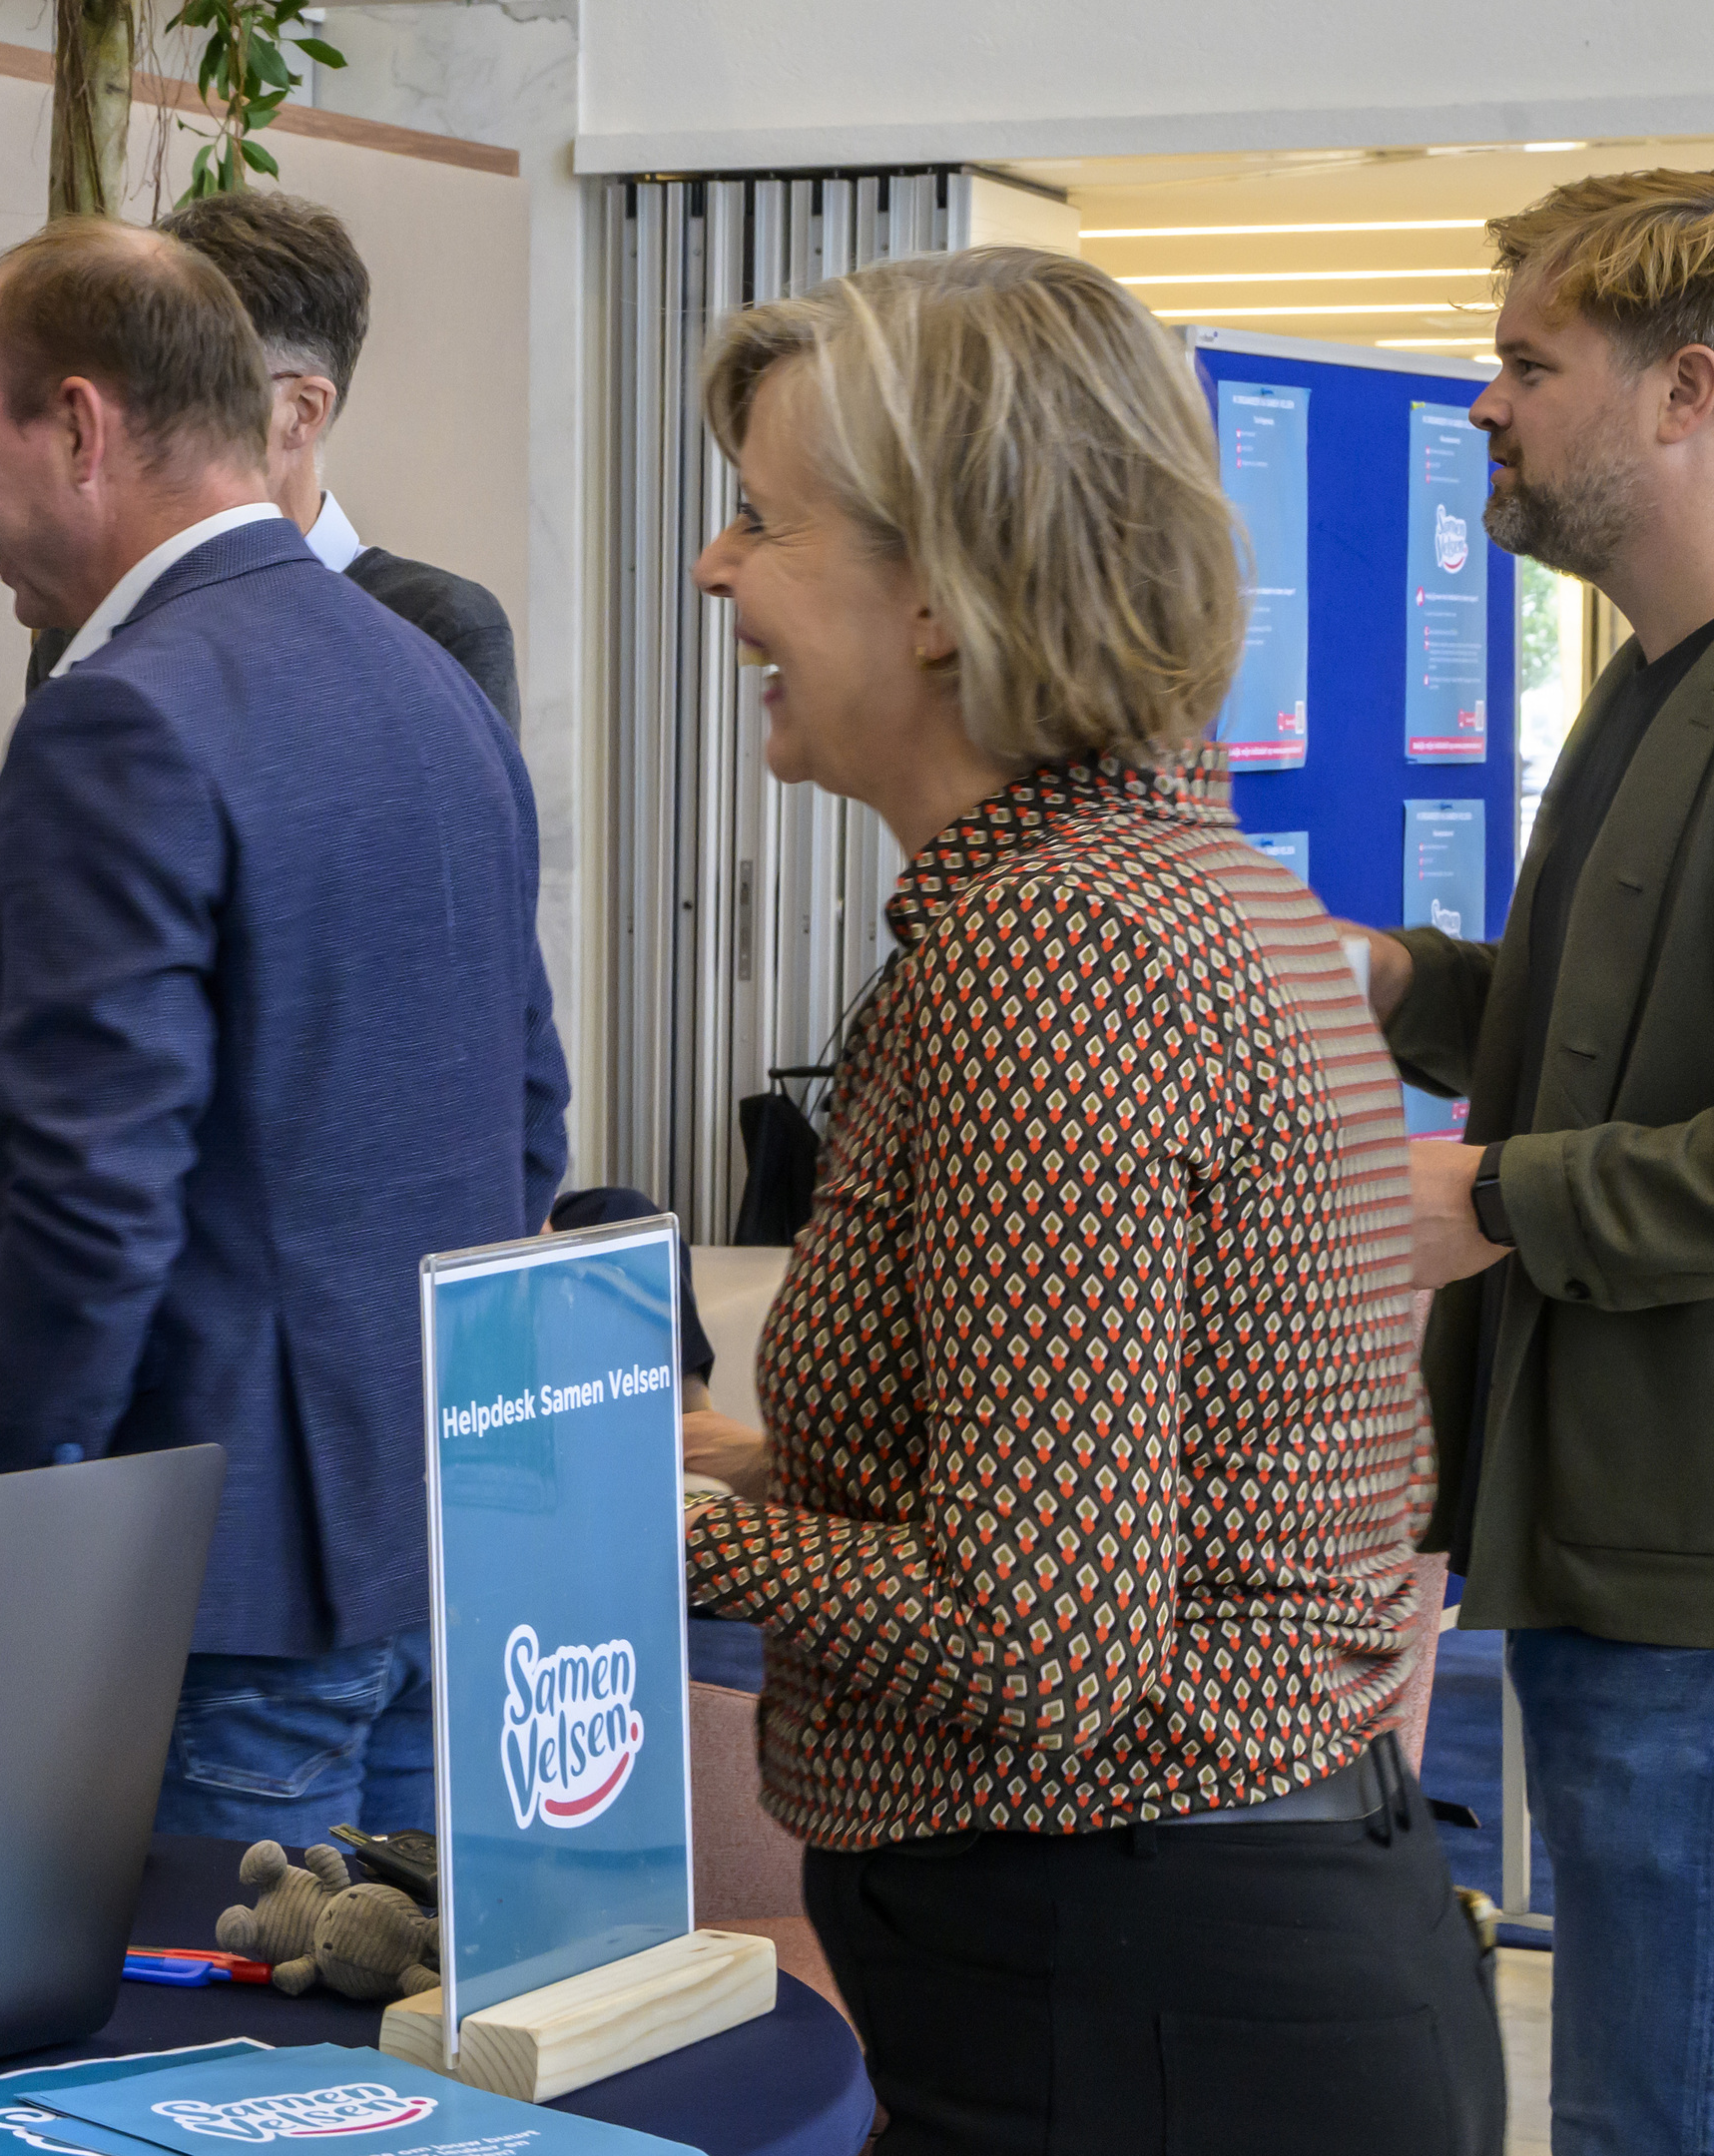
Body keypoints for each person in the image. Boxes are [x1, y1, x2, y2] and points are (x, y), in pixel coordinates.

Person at [677, 248, 1500, 2156]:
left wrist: (652, 1538)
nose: (719, 578)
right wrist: (761, 1473)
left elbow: (1043, 1640)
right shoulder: (1183, 887)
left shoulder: (1062, 953)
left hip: (1140, 1999)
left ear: (946, 597)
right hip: (1195, 1971)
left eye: (759, 523)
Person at [0, 218, 564, 1847]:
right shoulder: (433, 688)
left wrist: (19, 1520)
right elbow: (528, 1121)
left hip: (215, 1595)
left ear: (78, 424)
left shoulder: (120, 715)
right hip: (433, 1559)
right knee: (395, 2071)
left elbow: (92, 1192)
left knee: (204, 2081)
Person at [1354, 169, 1714, 2153]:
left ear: (1687, 393)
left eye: (1525, 365)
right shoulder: (1641, 682)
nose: (1485, 408)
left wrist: (1494, 1199)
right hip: (1598, 1553)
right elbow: (1594, 1028)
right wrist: (1403, 981)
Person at [18, 187, 518, 731]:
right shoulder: (91, 625)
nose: (148, 421)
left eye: (189, 385)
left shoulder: (437, 628)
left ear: (302, 411)